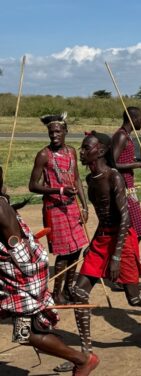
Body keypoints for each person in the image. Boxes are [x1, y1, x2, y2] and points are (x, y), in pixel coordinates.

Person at [71, 132, 141, 358]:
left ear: (100, 151)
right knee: (78, 292)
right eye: (82, 147)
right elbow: (103, 217)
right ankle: (85, 353)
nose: (82, 152)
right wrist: (93, 243)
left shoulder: (114, 177)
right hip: (102, 239)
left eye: (86, 148)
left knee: (134, 298)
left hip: (122, 239)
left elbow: (125, 218)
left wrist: (116, 257)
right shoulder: (90, 179)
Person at [0, 172, 100, 375]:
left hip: (22, 279)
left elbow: (21, 256)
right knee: (25, 333)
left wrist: (29, 293)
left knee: (26, 334)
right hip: (18, 278)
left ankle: (82, 360)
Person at [28, 113, 88, 305]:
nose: (54, 135)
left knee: (77, 248)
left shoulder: (72, 152)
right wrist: (59, 190)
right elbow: (32, 185)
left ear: (65, 131)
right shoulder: (44, 155)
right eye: (51, 132)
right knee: (64, 252)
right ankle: (56, 293)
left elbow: (77, 179)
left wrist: (85, 206)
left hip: (72, 207)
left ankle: (69, 289)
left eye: (57, 132)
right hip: (54, 209)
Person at [112, 106, 141, 243]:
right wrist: (139, 164)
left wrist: (140, 163)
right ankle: (125, 255)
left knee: (137, 230)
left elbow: (124, 159)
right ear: (134, 119)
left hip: (128, 186)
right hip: (122, 187)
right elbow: (112, 164)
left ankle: (128, 255)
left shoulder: (126, 135)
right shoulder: (121, 136)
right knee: (134, 231)